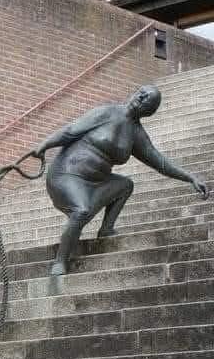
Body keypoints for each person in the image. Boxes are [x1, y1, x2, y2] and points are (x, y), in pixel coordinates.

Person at [34, 84, 208, 276]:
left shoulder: (136, 134)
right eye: (141, 93)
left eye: (146, 100)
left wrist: (191, 177)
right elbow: (70, 131)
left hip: (96, 182)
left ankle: (106, 230)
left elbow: (160, 163)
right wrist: (45, 145)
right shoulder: (106, 112)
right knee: (81, 210)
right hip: (67, 174)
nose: (140, 98)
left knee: (125, 185)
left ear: (149, 111)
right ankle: (60, 260)